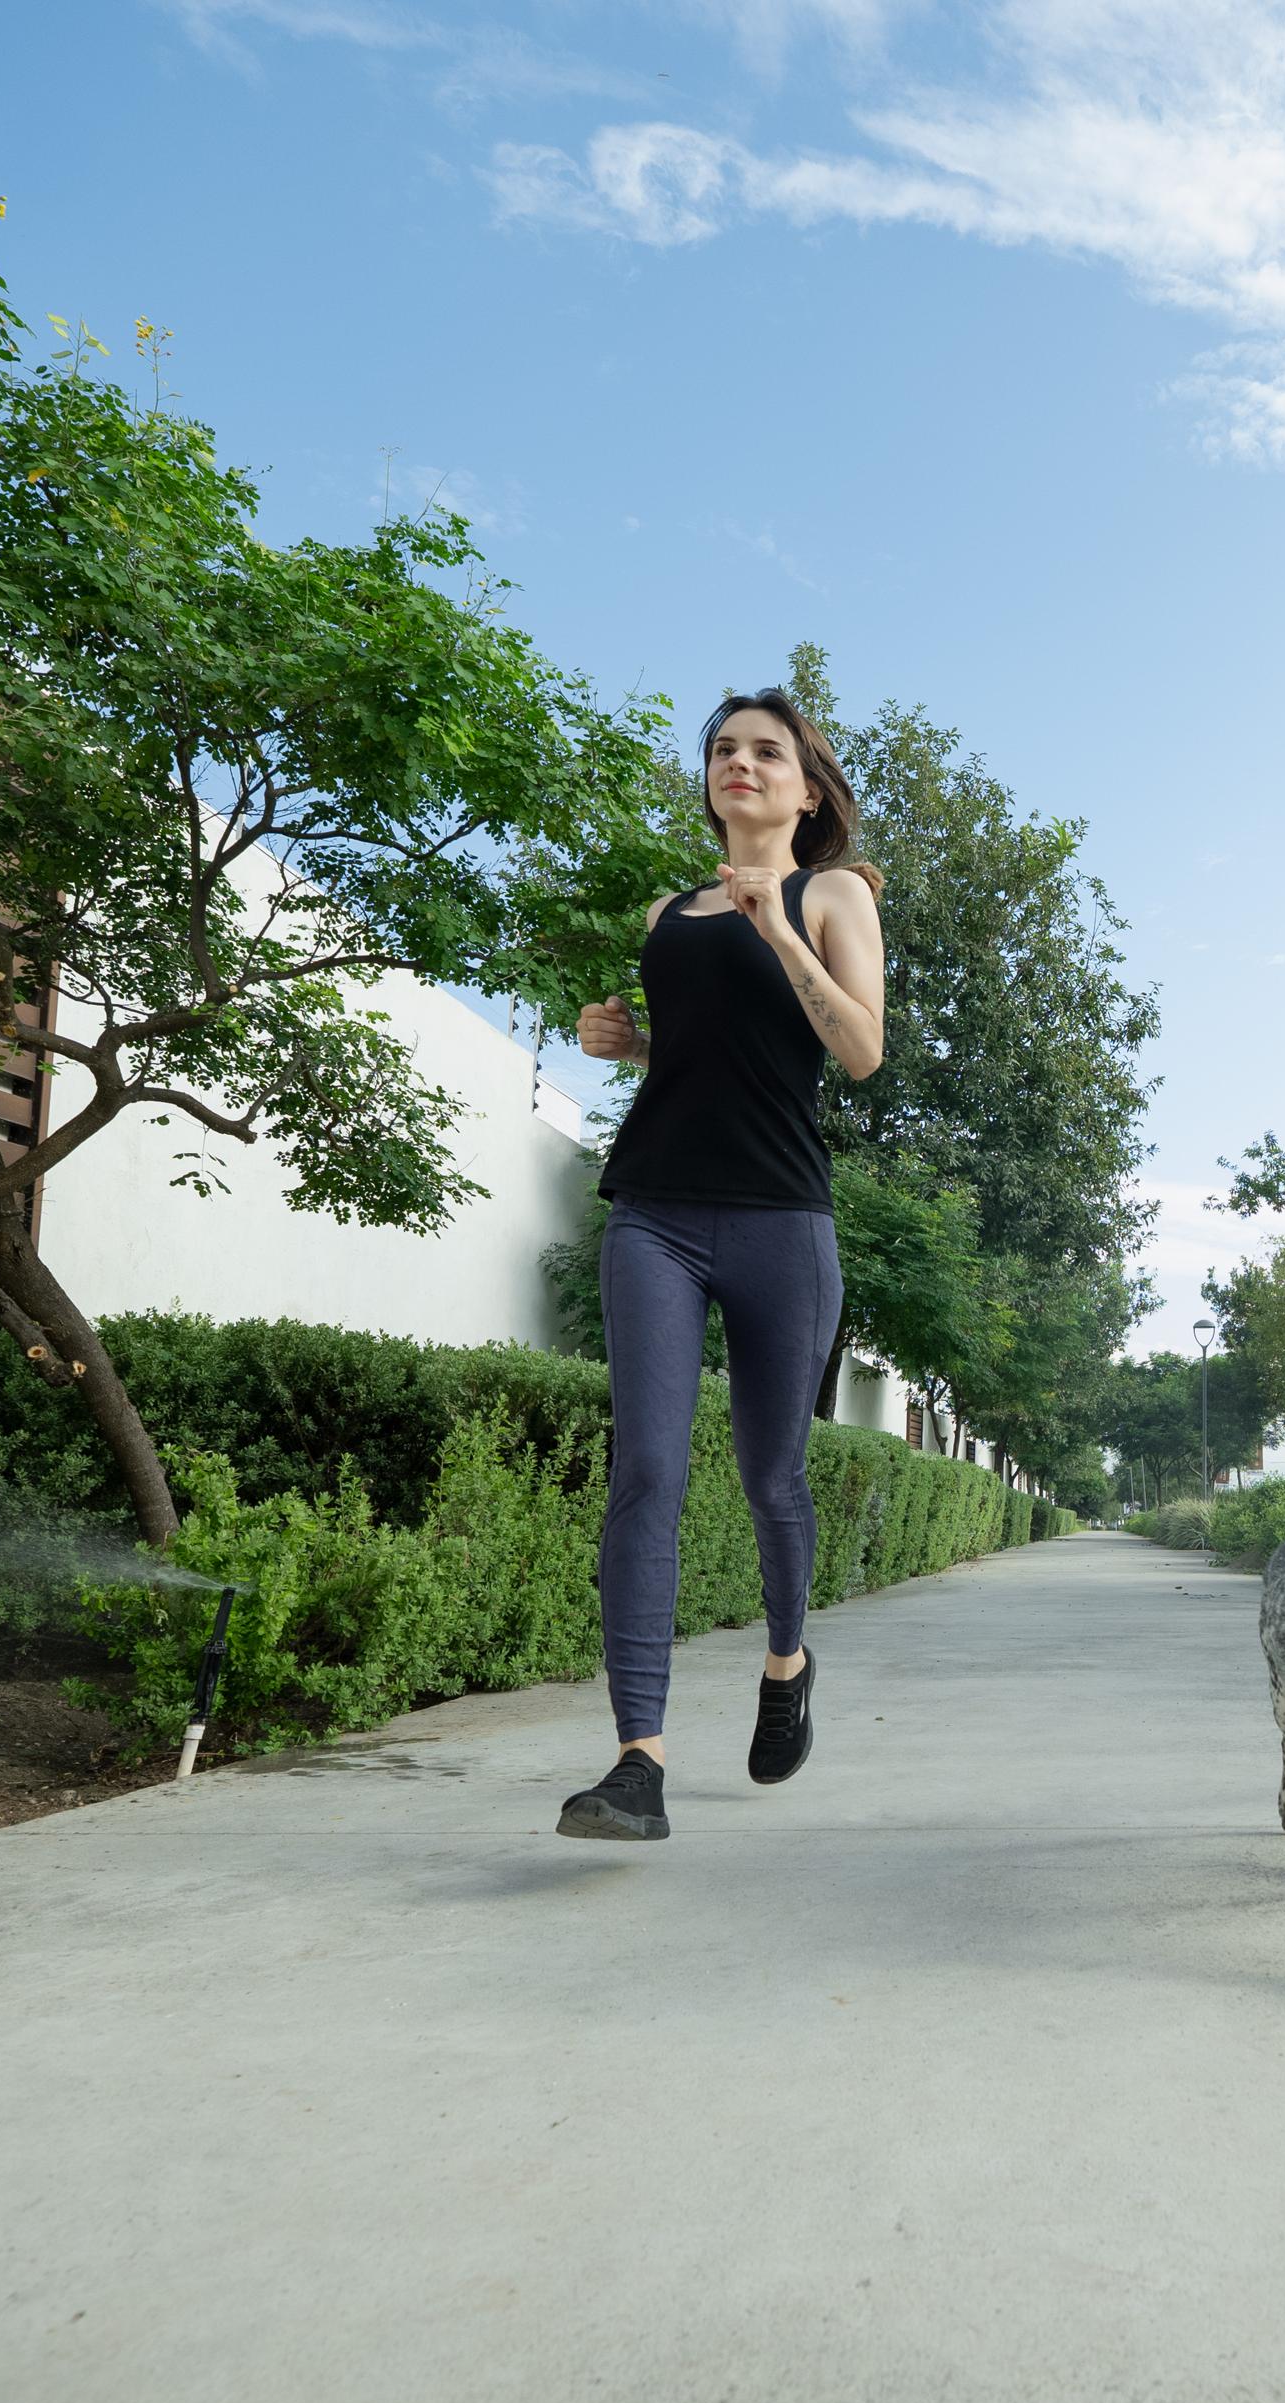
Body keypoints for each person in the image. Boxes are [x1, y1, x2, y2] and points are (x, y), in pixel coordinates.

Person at [555, 690, 887, 1844]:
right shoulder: (666, 911)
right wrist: (628, 1042)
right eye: (723, 751)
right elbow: (706, 1055)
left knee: (770, 1479)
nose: (739, 764)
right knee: (646, 1468)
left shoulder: (832, 894)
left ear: (806, 788)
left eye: (766, 752)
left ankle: (787, 1661)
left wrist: (778, 925)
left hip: (780, 1222)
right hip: (654, 1211)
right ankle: (636, 1762)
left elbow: (857, 1052)